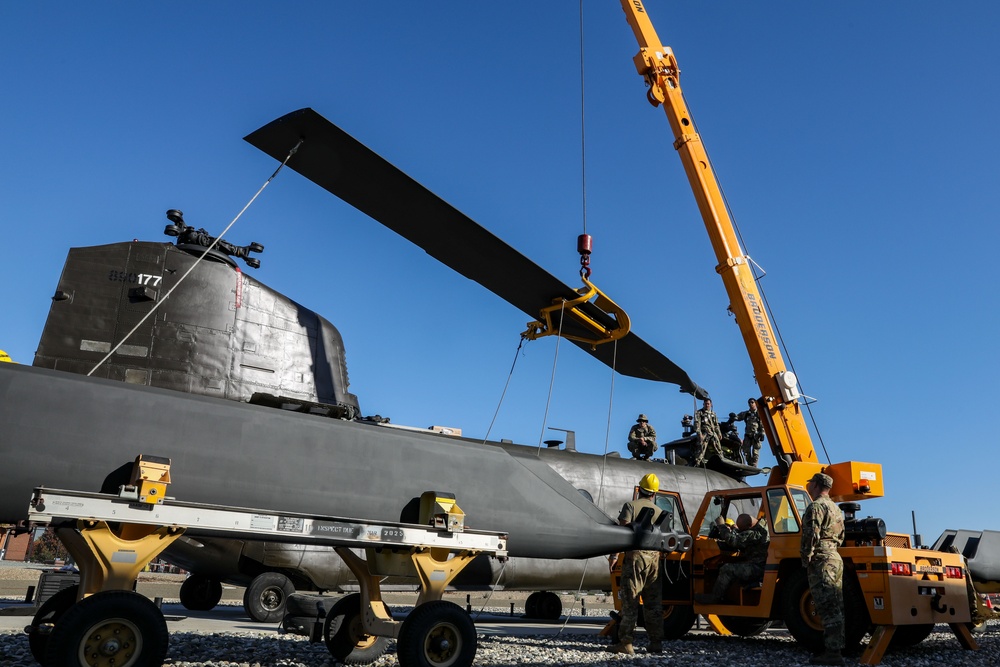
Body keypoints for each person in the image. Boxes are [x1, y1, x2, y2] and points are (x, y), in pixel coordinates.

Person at [608, 473, 664, 655]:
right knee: (653, 603)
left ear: (639, 490)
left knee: (630, 601)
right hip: (654, 559)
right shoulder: (659, 512)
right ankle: (656, 642)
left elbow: (622, 534)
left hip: (635, 558)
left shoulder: (630, 506)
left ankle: (626, 643)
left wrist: (614, 556)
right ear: (654, 493)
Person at [801, 472, 846, 666]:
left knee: (826, 606)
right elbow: (842, 535)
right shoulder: (835, 508)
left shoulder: (816, 506)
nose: (809, 486)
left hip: (821, 559)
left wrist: (806, 556)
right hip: (834, 557)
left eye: (811, 483)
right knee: (836, 604)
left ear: (817, 485)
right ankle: (835, 648)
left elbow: (811, 534)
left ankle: (833, 653)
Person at [694, 513, 770, 604]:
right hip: (761, 565)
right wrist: (736, 529)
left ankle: (714, 598)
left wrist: (721, 525)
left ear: (749, 526)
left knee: (726, 569)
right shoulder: (763, 525)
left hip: (758, 568)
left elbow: (733, 541)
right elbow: (746, 536)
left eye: (743, 529)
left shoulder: (756, 533)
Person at [690, 398, 723, 467]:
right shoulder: (699, 413)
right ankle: (697, 462)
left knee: (718, 447)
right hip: (704, 432)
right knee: (701, 448)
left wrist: (719, 433)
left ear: (711, 404)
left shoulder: (713, 414)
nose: (707, 405)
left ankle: (721, 460)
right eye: (705, 404)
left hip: (712, 432)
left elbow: (716, 424)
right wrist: (699, 434)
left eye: (708, 404)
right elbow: (697, 424)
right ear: (703, 404)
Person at [737, 398, 765, 467]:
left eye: (752, 402)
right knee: (746, 451)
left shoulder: (759, 414)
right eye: (749, 403)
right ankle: (750, 464)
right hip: (748, 435)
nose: (751, 404)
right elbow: (738, 417)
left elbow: (763, 424)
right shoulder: (746, 414)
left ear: (755, 403)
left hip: (756, 436)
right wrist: (733, 417)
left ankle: (754, 464)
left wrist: (762, 433)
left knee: (755, 452)